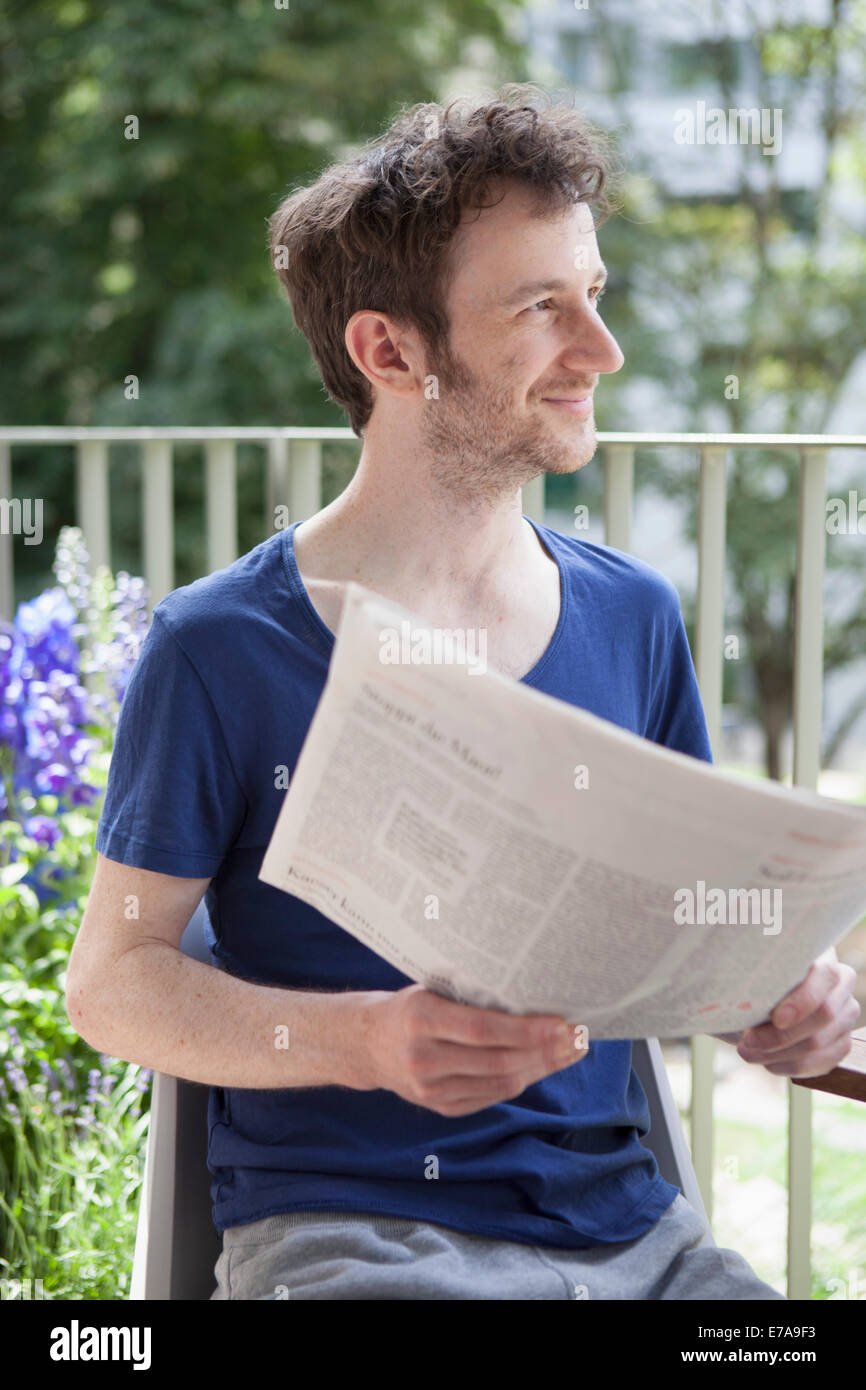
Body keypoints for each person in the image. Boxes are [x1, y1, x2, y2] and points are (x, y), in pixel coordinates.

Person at [66, 85, 859, 1301]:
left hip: (640, 1248)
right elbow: (113, 983)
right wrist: (366, 1042)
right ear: (388, 351)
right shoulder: (217, 647)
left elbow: (693, 930)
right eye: (541, 308)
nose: (601, 351)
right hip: (352, 1247)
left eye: (591, 296)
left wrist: (783, 1002)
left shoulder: (631, 614)